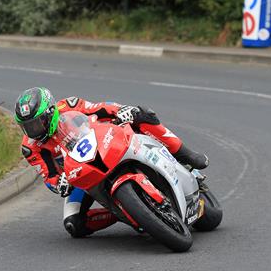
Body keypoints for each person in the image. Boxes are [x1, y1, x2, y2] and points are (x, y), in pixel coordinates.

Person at [14, 87, 209, 238]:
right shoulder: (31, 147)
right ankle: (125, 211)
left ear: (50, 113)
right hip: (81, 176)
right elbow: (48, 175)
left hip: (108, 144)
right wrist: (59, 184)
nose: (33, 131)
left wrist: (121, 111)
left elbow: (100, 108)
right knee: (73, 224)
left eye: (36, 124)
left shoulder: (69, 105)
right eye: (27, 127)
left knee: (142, 114)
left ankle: (185, 154)